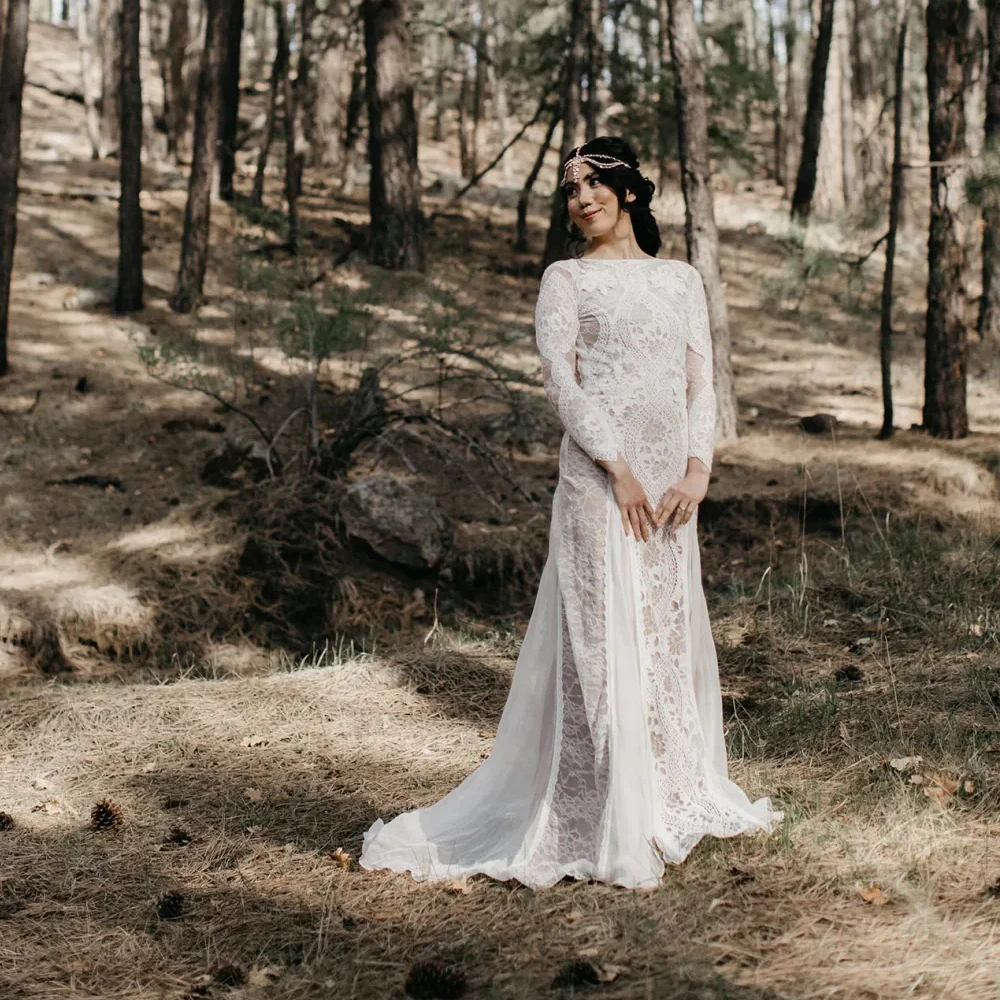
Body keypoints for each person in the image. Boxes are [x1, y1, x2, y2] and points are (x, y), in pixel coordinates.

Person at [359, 137, 782, 890]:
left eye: (591, 183)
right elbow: (562, 380)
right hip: (598, 483)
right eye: (569, 188)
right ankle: (596, 806)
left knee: (659, 628)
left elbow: (700, 380)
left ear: (627, 192)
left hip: (671, 491)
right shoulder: (566, 279)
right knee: (598, 634)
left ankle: (668, 791)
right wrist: (615, 465)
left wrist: (697, 468)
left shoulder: (681, 279)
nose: (579, 197)